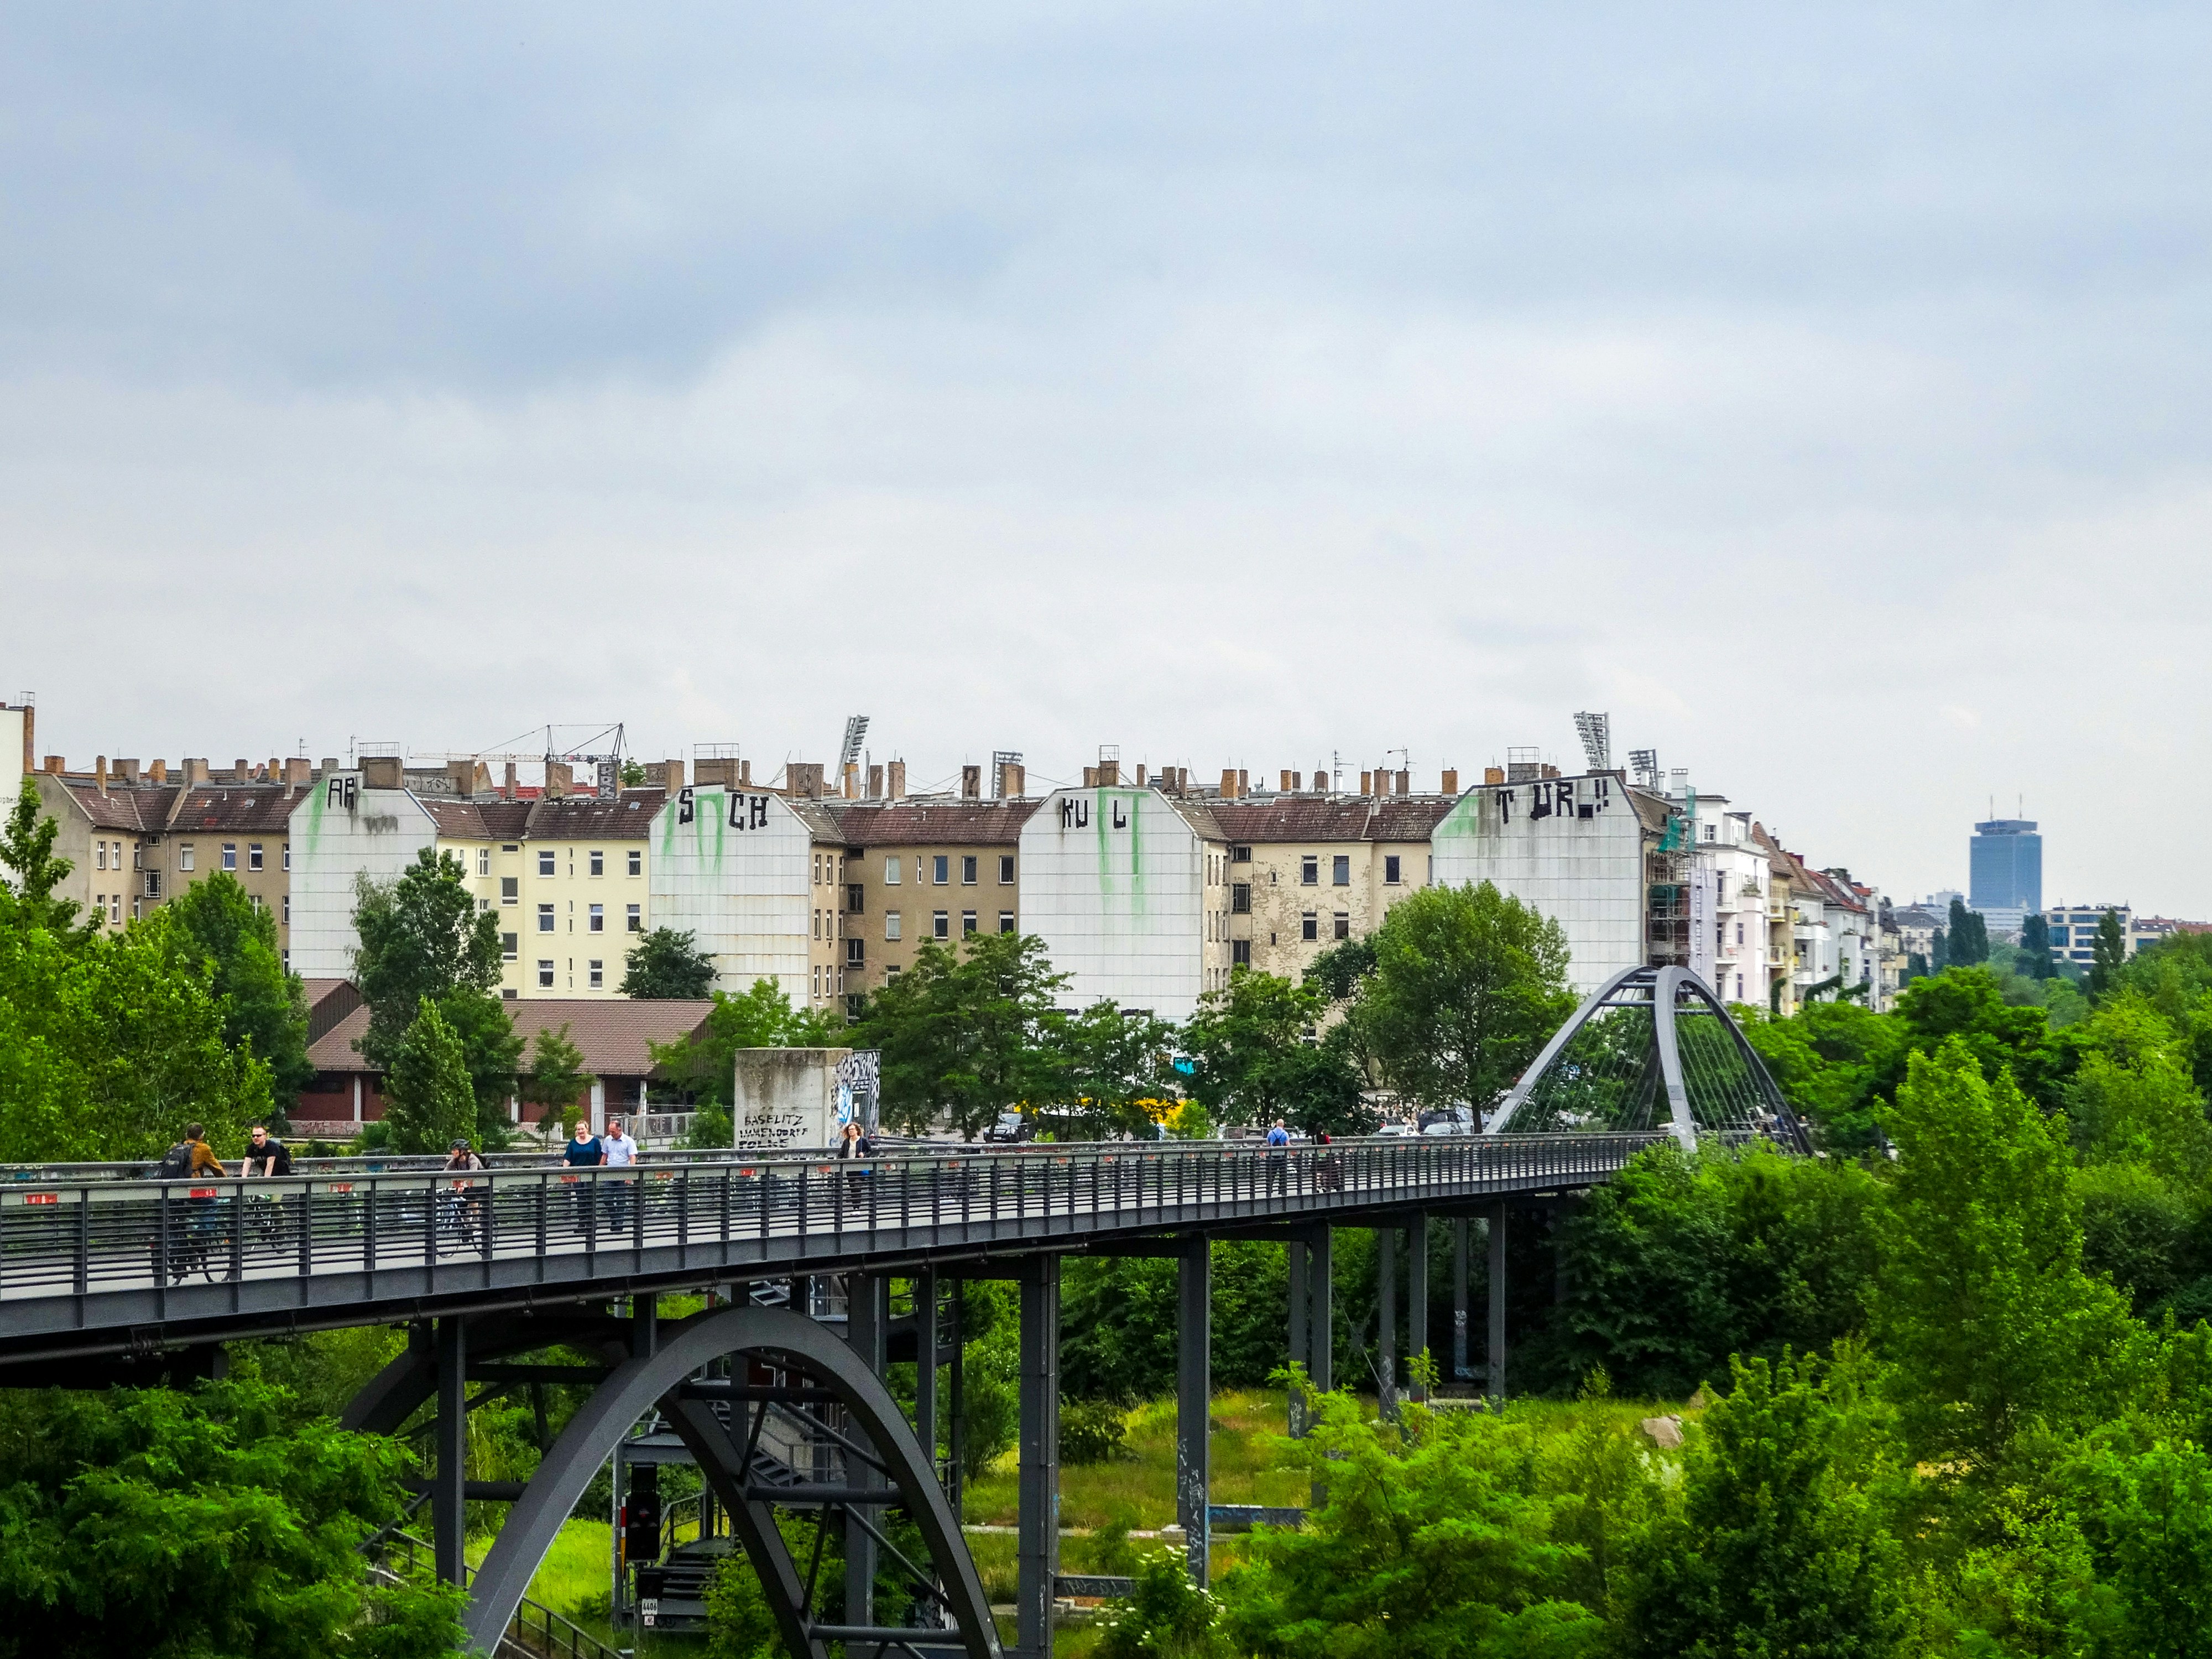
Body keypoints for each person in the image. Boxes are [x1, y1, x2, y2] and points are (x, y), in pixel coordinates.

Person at [155, 1122, 226, 1282]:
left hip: (173, 1192)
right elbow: (217, 1169)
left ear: (187, 1135)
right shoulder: (203, 1148)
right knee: (211, 1204)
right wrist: (228, 1183)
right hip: (192, 1190)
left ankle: (178, 1264)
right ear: (201, 1136)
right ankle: (200, 1235)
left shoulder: (176, 1147)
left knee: (176, 1223)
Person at [238, 1123, 293, 1251]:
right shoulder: (252, 1148)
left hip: (280, 1177)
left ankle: (281, 1230)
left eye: (259, 1135)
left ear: (265, 1136)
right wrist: (242, 1180)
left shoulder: (272, 1147)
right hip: (265, 1175)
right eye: (253, 1136)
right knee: (254, 1197)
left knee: (275, 1203)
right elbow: (247, 1164)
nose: (256, 1138)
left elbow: (270, 1165)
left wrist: (265, 1183)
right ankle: (260, 1220)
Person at [442, 1138, 489, 1249]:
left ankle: (476, 1221)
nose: (452, 1153)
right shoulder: (455, 1161)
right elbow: (445, 1172)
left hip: (481, 1184)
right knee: (460, 1203)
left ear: (462, 1151)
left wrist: (462, 1185)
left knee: (471, 1195)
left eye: (455, 1150)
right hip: (467, 1185)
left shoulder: (472, 1159)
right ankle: (466, 1225)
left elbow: (473, 1175)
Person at [562, 1120, 603, 1235]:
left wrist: (599, 1170)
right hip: (577, 1174)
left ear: (587, 1129)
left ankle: (591, 1223)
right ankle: (582, 1224)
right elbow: (568, 1158)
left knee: (590, 1198)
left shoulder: (595, 1141)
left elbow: (600, 1157)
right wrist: (564, 1171)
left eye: (582, 1129)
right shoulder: (573, 1143)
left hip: (591, 1174)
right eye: (578, 1129)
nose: (580, 1131)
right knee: (580, 1199)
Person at [600, 1117, 640, 1233]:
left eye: (613, 1132)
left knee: (621, 1199)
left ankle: (619, 1224)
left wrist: (630, 1175)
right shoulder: (608, 1140)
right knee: (607, 1197)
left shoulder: (629, 1141)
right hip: (610, 1172)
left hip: (623, 1172)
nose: (611, 1134)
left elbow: (632, 1157)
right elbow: (604, 1156)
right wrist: (598, 1169)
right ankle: (615, 1218)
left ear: (620, 1130)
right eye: (610, 1131)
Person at [1265, 1118, 1291, 1196]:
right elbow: (1287, 1144)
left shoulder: (1271, 1133)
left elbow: (1268, 1145)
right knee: (1282, 1174)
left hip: (1272, 1157)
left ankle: (1269, 1189)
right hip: (1282, 1157)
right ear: (1283, 1125)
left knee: (1272, 1174)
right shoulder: (1285, 1134)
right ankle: (1281, 1189)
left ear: (1276, 1125)